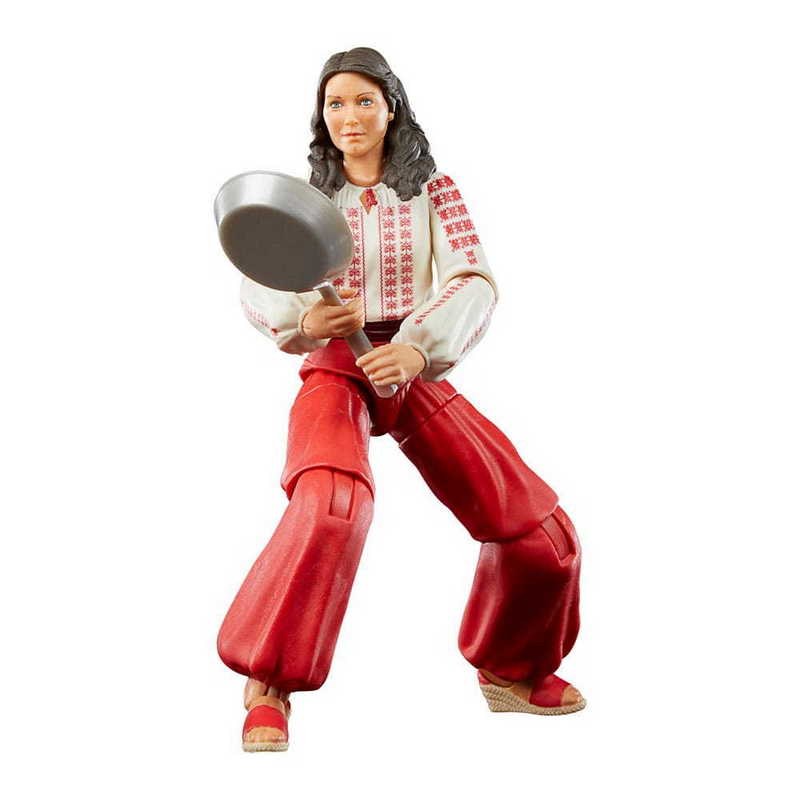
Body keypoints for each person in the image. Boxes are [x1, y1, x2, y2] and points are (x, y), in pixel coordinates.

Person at [218, 47, 584, 752]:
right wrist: (306, 319)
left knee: (540, 532)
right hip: (337, 364)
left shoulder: (433, 190)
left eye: (364, 100)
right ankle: (269, 682)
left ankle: (511, 666)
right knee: (331, 503)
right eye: (334, 103)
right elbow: (259, 278)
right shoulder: (307, 196)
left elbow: (472, 277)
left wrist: (419, 347)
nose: (349, 116)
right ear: (320, 116)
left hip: (410, 361)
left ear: (391, 108)